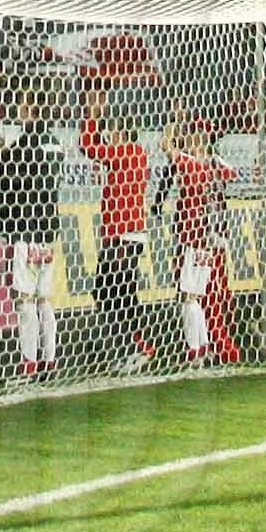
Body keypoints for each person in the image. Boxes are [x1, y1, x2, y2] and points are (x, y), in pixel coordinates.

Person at [0, 96, 68, 382]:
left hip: (26, 228)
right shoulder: (56, 144)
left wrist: (0, 154)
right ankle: (50, 360)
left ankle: (29, 363)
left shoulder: (24, 145)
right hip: (49, 228)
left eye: (22, 107)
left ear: (29, 112)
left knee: (25, 300)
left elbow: (2, 180)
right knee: (44, 299)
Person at [82, 113, 162, 369]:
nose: (110, 137)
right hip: (123, 234)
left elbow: (87, 146)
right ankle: (129, 347)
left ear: (122, 134)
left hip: (124, 236)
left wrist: (92, 114)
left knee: (120, 294)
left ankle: (142, 348)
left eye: (113, 133)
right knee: (107, 292)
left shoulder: (125, 152)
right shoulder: (137, 154)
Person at [167, 116, 239, 365]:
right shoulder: (216, 164)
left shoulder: (190, 164)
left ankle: (195, 350)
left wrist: (174, 118)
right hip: (212, 238)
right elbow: (233, 177)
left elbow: (166, 147)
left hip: (192, 235)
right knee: (205, 296)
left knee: (189, 296)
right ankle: (208, 346)